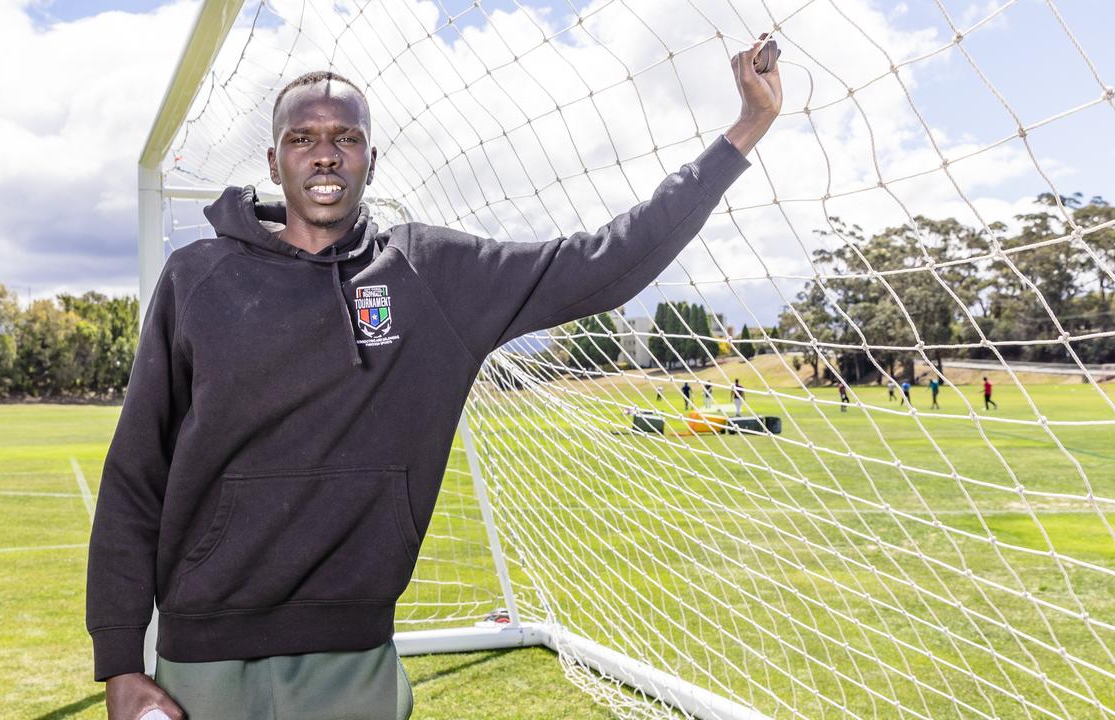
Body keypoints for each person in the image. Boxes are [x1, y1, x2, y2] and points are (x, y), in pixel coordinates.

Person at [88, 40, 779, 720]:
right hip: (204, 659)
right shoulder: (196, 278)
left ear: (370, 158)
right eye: (302, 137)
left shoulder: (430, 274)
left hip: (352, 657)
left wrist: (744, 131)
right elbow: (135, 474)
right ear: (274, 161)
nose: (325, 153)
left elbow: (605, 262)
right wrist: (121, 658)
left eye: (345, 137)